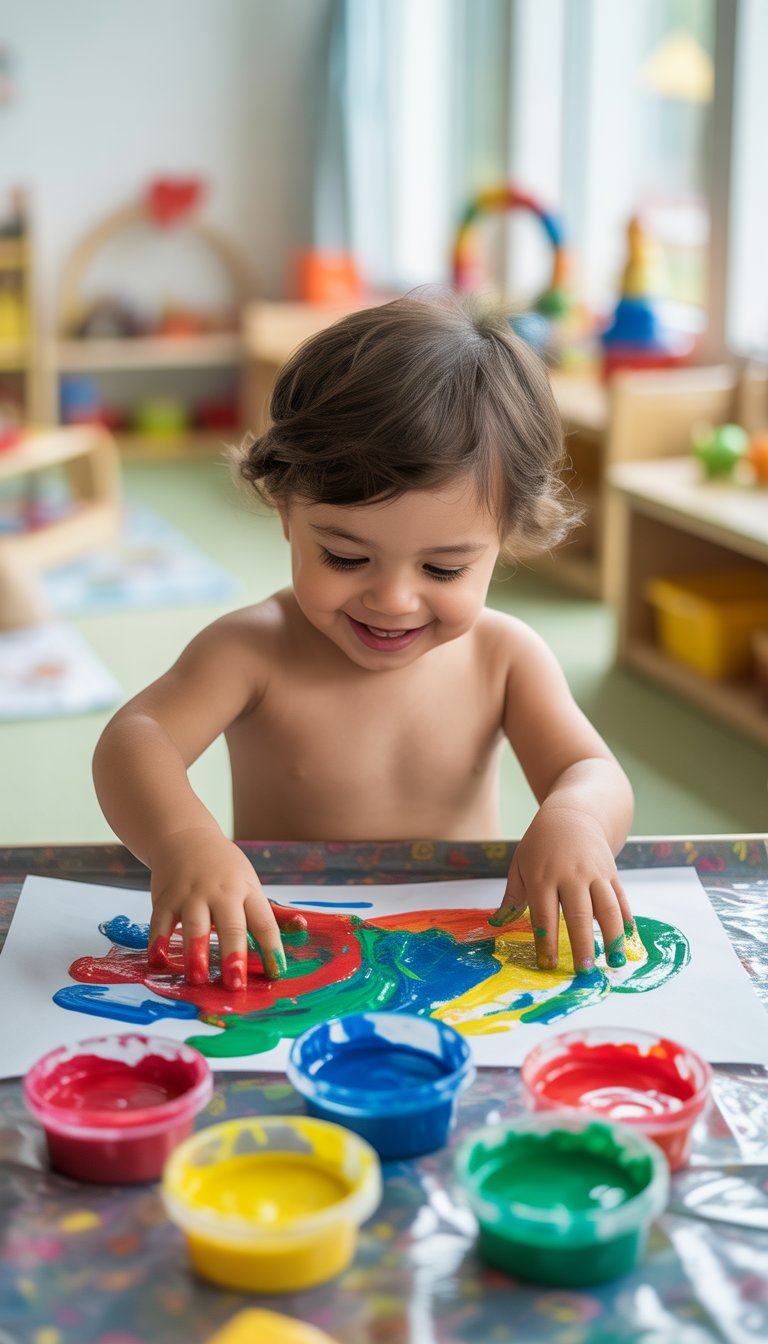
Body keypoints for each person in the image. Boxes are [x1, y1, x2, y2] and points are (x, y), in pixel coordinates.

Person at [93, 290, 635, 993]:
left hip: (460, 953)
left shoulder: (506, 657)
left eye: (444, 568)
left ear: (505, 541)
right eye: (346, 558)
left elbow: (593, 771)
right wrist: (184, 842)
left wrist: (576, 819)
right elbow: (136, 738)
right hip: (291, 952)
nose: (393, 600)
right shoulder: (252, 650)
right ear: (287, 510)